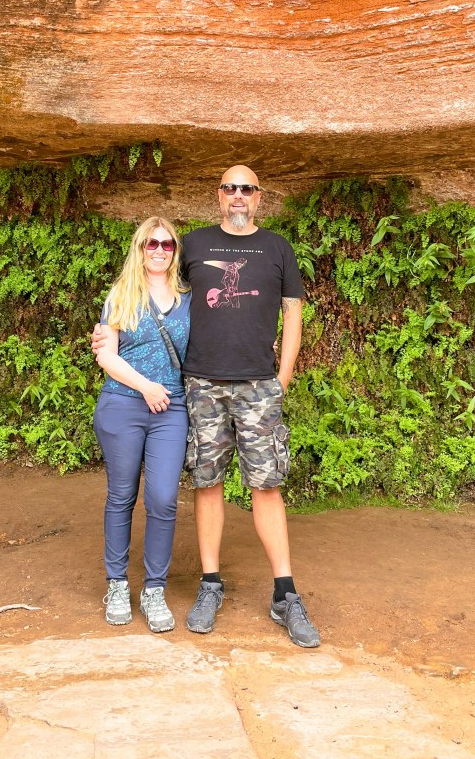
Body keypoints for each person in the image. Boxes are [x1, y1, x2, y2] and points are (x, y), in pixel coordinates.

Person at [95, 167, 319, 647]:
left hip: (259, 384)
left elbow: (293, 312)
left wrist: (282, 378)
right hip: (201, 385)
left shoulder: (277, 247)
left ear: (259, 197)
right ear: (219, 195)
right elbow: (156, 292)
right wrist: (109, 333)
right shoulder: (193, 245)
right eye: (230, 188)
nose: (238, 196)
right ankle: (210, 585)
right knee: (207, 482)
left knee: (266, 484)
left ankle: (285, 593)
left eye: (247, 189)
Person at [92, 216, 191, 632]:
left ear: (175, 251)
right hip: (124, 404)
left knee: (164, 499)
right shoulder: (121, 294)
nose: (159, 251)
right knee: (122, 495)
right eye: (152, 244)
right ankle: (117, 584)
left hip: (171, 409)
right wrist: (146, 386)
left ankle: (154, 589)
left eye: (167, 244)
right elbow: (106, 355)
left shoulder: (188, 298)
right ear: (140, 248)